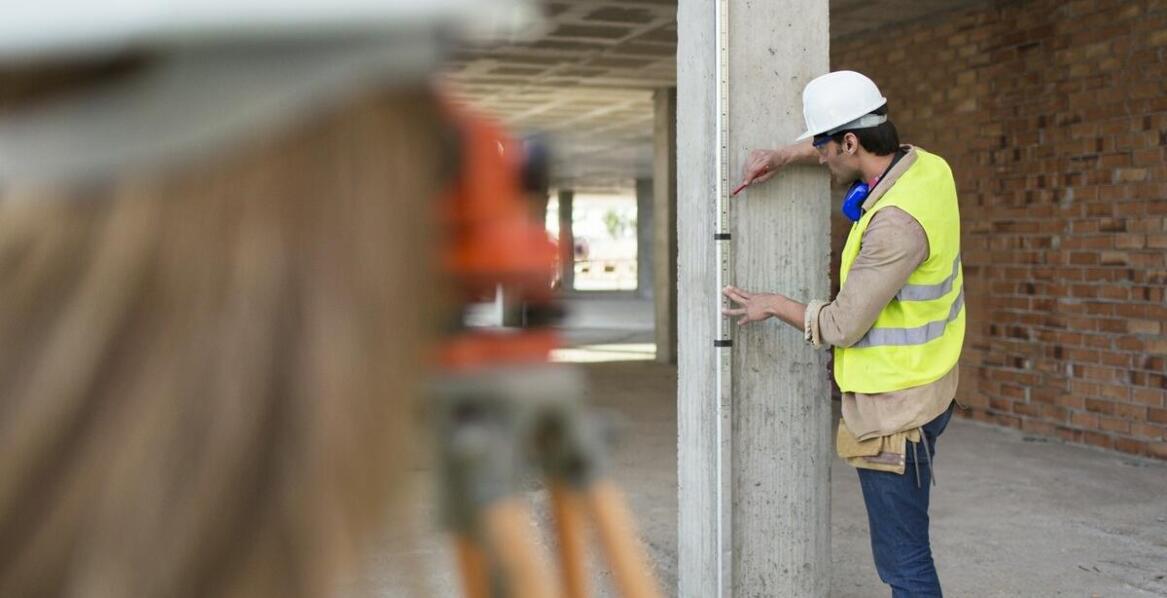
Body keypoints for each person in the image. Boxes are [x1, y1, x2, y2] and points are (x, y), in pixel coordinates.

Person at [722, 70, 965, 598]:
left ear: (850, 142)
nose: (823, 157)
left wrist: (773, 304)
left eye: (824, 147)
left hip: (897, 412)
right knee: (906, 552)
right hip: (934, 382)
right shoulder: (928, 168)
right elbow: (845, 146)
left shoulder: (895, 226)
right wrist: (785, 155)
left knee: (904, 563)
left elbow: (840, 325)